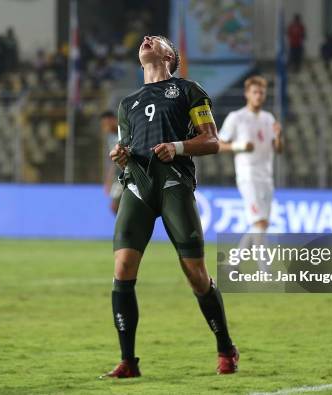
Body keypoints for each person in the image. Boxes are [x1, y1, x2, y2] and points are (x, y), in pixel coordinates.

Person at [102, 35, 238, 378]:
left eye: (156, 40)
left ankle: (225, 347)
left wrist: (177, 147)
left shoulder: (189, 91)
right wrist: (119, 156)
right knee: (122, 270)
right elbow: (125, 149)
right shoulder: (127, 103)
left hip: (174, 184)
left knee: (196, 275)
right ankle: (128, 362)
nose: (147, 40)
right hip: (137, 187)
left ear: (169, 55)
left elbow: (211, 141)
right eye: (145, 40)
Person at [218, 76, 283, 258]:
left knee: (260, 225)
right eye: (255, 92)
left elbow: (278, 149)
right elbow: (219, 144)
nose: (259, 96)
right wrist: (239, 146)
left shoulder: (268, 118)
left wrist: (278, 136)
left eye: (262, 92)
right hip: (248, 176)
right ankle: (265, 271)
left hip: (266, 177)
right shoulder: (236, 117)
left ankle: (234, 262)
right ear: (247, 94)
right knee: (260, 223)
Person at [101, 111, 122, 214]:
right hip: (119, 177)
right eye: (104, 124)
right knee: (115, 207)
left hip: (130, 173)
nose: (105, 126)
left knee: (116, 206)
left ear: (114, 120)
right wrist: (109, 180)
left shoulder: (125, 132)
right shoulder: (110, 137)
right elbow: (113, 162)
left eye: (107, 123)